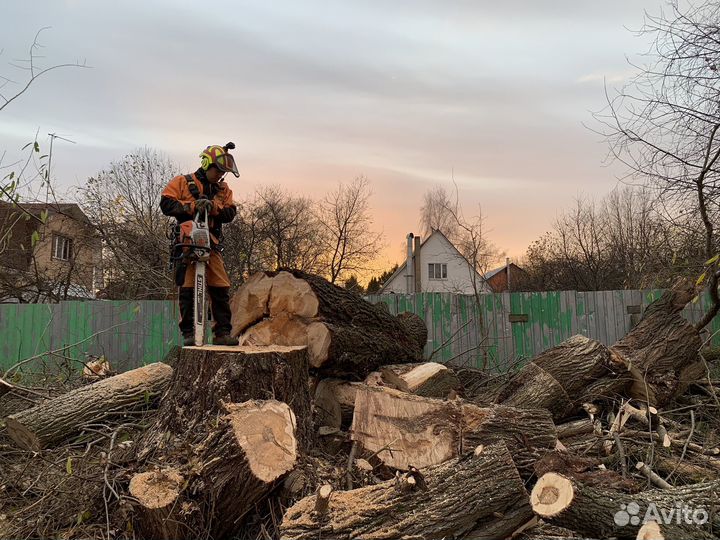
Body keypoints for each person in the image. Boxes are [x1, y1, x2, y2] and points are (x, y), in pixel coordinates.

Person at [160, 142, 240, 346]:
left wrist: (213, 208)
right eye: (218, 170)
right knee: (187, 289)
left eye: (223, 172)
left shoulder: (223, 189)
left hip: (210, 243)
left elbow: (230, 213)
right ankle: (189, 332)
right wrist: (191, 206)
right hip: (188, 243)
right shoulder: (183, 182)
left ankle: (222, 332)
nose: (220, 175)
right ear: (207, 164)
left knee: (220, 287)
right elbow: (166, 204)